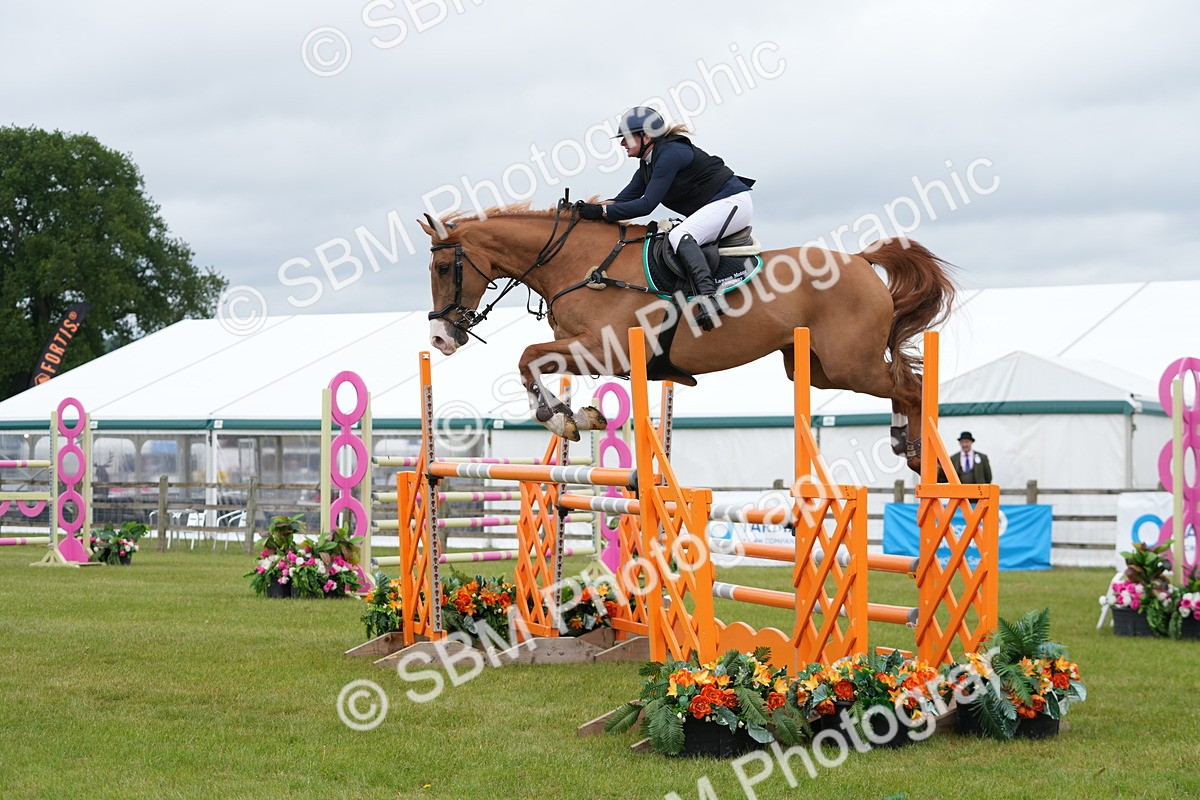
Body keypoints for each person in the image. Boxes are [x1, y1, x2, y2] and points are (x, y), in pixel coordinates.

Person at [575, 106, 755, 331]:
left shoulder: (670, 154)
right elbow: (623, 199)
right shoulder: (648, 164)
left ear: (646, 136)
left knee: (679, 235)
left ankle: (710, 297)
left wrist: (602, 212)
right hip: (721, 204)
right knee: (676, 235)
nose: (621, 143)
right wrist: (586, 211)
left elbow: (647, 205)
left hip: (732, 202)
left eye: (626, 137)